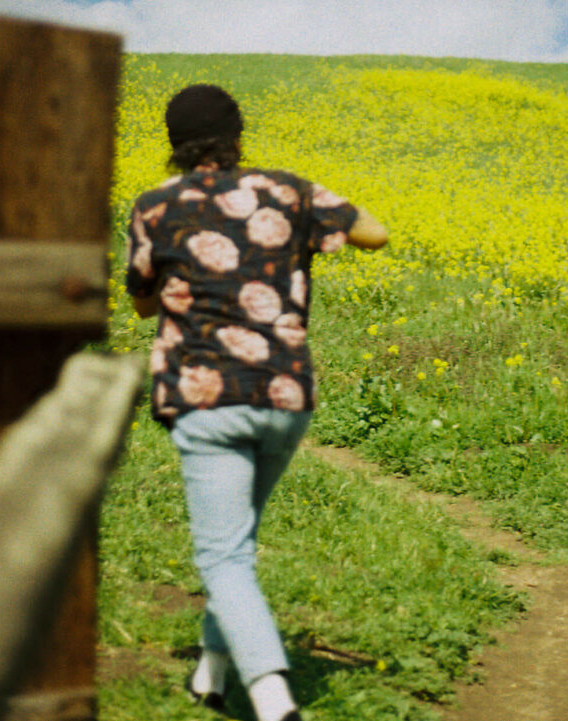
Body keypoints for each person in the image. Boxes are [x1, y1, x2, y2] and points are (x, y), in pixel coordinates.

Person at [125, 83, 388, 721]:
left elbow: (140, 303)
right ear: (237, 137)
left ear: (174, 144)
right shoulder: (289, 190)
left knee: (222, 554)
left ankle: (273, 702)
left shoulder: (156, 206)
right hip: (284, 394)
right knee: (236, 546)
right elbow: (375, 234)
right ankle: (211, 677)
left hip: (207, 396)